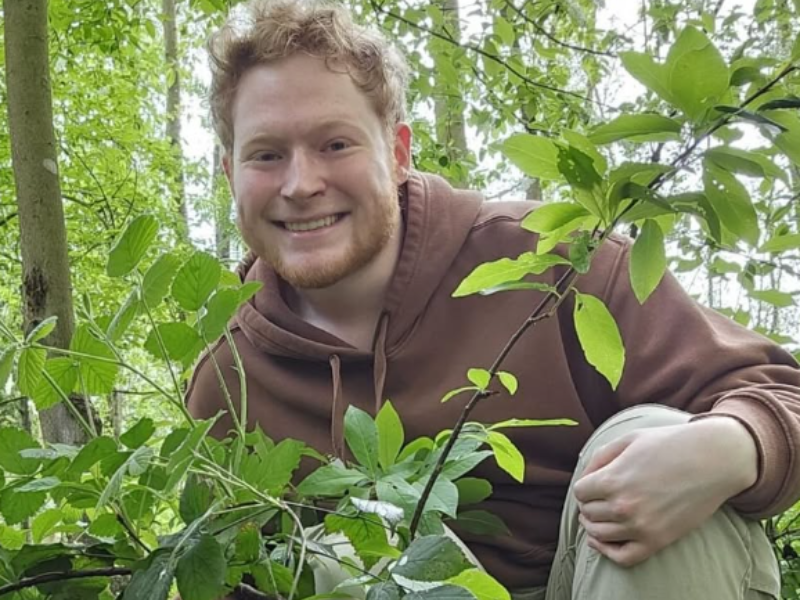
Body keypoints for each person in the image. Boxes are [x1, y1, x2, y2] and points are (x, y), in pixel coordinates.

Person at [187, 1, 800, 598]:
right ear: (230, 174)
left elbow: (782, 395)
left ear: (397, 153)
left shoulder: (554, 262)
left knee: (660, 436)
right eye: (266, 155)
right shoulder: (229, 381)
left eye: (335, 144)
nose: (302, 184)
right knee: (322, 555)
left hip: (600, 578)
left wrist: (731, 447)